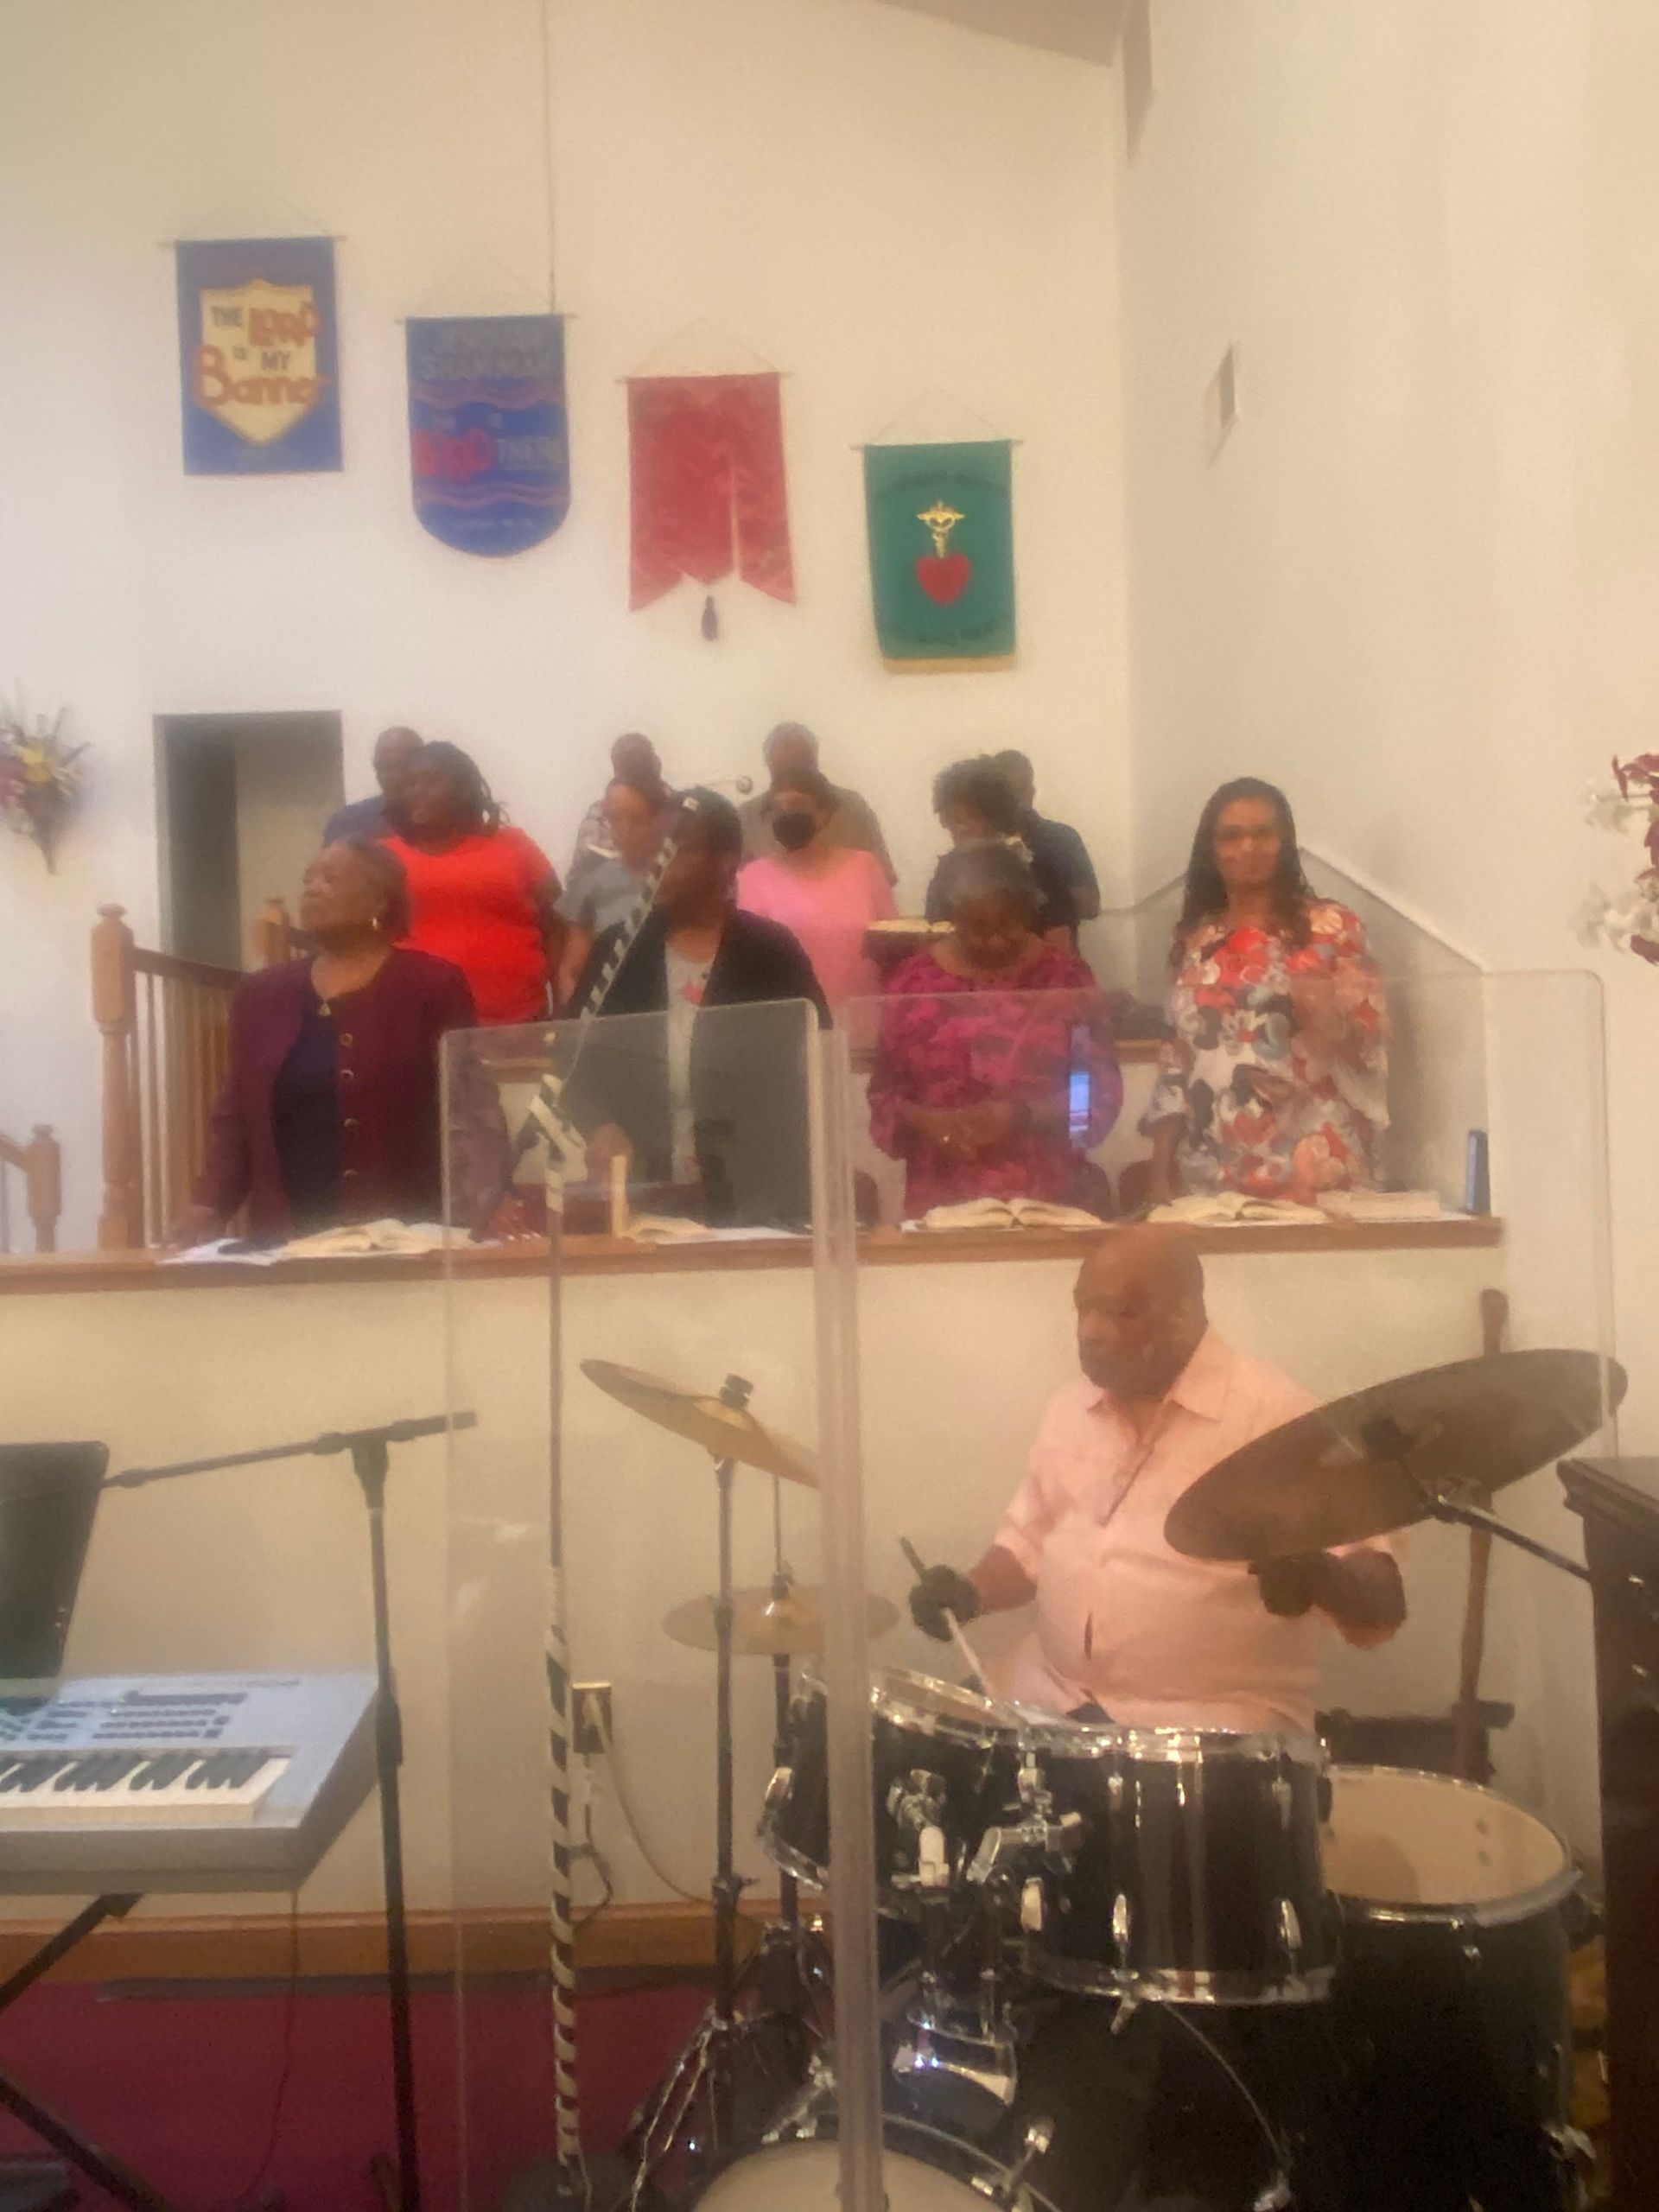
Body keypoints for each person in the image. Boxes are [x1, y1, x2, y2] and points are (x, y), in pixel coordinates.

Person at [907, 1227, 1405, 1731]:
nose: (1090, 1331)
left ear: (1186, 1314)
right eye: (1084, 1309)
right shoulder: (1069, 1409)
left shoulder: (1276, 1419)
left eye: (1120, 1311)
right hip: (1049, 1694)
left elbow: (1379, 1612)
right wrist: (969, 1592)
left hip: (1204, 1727)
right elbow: (1027, 1545)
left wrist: (1320, 1576)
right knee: (916, 1750)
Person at [168, 841, 480, 1245]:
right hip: (287, 1243)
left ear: (376, 901)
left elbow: (470, 1107)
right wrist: (207, 1204)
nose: (311, 889)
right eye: (308, 880)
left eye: (330, 879)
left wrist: (491, 1197)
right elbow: (237, 1117)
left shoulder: (432, 986)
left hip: (402, 1240)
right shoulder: (261, 996)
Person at [564, 791, 829, 1226]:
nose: (658, 864)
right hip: (643, 1198)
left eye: (676, 851)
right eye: (653, 852)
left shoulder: (772, 952)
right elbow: (571, 1063)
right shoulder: (618, 950)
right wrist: (599, 1126)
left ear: (725, 861)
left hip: (757, 1201)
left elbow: (818, 1061)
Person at [1146, 778, 1388, 1205]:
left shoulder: (1334, 928)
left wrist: (1330, 1023)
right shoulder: (1196, 940)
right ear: (1211, 849)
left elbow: (1370, 1050)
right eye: (1232, 835)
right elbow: (1173, 1067)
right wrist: (1159, 1176)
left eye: (1264, 833)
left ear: (1286, 842)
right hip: (1210, 1176)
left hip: (1311, 1170)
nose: (1249, 847)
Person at [869, 841, 1120, 1217]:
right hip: (942, 1201)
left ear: (1030, 911)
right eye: (978, 929)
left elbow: (1096, 1091)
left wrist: (1024, 1115)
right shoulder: (913, 984)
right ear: (952, 919)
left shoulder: (1065, 978)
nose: (996, 940)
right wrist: (927, 1121)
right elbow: (885, 1095)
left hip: (1050, 1200)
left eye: (1009, 925)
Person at [383, 741, 564, 1026]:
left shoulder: (514, 844)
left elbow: (557, 927)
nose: (417, 791)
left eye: (431, 781)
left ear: (462, 788)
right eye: (409, 784)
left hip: (517, 1023)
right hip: (414, 1026)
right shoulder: (384, 857)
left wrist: (564, 1007)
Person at [736, 762, 896, 1009]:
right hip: (789, 1023)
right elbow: (747, 961)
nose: (786, 814)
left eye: (797, 805)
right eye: (776, 809)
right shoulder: (753, 876)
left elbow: (893, 944)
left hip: (863, 1019)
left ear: (824, 812)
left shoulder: (864, 866)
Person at [924, 757, 1077, 948]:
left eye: (968, 818)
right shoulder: (946, 874)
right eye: (952, 820)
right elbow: (936, 938)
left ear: (996, 817)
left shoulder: (1037, 871)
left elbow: (1059, 953)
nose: (959, 829)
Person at [556, 776, 667, 1007]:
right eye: (616, 819)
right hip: (610, 1011)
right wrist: (576, 1022)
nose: (625, 830)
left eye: (637, 820)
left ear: (659, 820)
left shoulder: (680, 880)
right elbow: (573, 970)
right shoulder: (591, 881)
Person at [740, 723, 897, 884]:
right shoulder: (747, 818)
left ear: (814, 763)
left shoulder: (852, 808)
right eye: (783, 770)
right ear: (770, 767)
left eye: (799, 768)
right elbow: (738, 889)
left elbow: (884, 877)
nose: (791, 781)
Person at [992, 747, 1100, 925]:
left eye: (1019, 791)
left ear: (1031, 793)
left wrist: (1037, 871)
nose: (1014, 803)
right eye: (1004, 796)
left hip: (1056, 948)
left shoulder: (1062, 838)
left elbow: (1090, 908)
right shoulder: (980, 843)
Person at [569, 734, 674, 873]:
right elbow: (579, 873)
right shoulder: (600, 812)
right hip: (613, 888)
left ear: (654, 765)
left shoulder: (679, 807)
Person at [323, 726, 423, 845]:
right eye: (380, 767)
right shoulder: (348, 822)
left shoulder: (445, 819)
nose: (387, 776)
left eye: (397, 766)